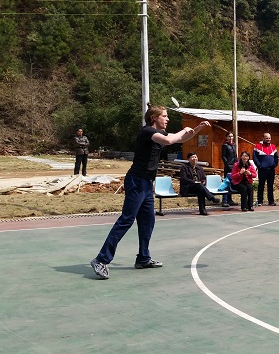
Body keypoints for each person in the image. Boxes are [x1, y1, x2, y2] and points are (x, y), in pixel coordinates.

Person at [90, 104, 210, 280]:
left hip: (147, 183)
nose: (167, 119)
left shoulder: (159, 134)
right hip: (136, 181)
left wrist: (198, 128)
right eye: (165, 116)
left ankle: (143, 258)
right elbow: (170, 141)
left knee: (148, 221)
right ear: (154, 118)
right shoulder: (147, 132)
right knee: (126, 220)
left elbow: (182, 138)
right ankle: (101, 260)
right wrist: (184, 129)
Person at [254, 132, 279, 206]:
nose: (268, 139)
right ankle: (260, 201)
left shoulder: (273, 147)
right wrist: (260, 166)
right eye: (266, 138)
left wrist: (274, 165)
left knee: (270, 186)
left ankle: (271, 201)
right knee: (261, 185)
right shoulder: (257, 146)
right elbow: (255, 157)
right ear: (263, 138)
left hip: (271, 170)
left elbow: (276, 157)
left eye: (269, 138)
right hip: (262, 170)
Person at [221, 132, 238, 207]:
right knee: (227, 183)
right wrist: (227, 165)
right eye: (229, 136)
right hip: (228, 167)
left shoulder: (234, 145)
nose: (231, 138)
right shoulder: (225, 145)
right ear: (226, 137)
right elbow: (223, 156)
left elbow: (235, 155)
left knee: (232, 183)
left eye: (232, 136)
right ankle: (224, 200)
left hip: (234, 166)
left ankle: (230, 200)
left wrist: (237, 164)